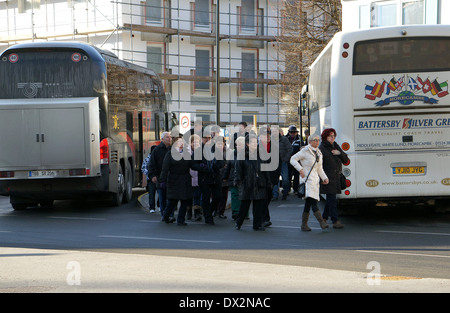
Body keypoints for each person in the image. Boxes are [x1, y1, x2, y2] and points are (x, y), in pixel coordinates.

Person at [290, 134, 329, 231]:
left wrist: (324, 178)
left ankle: (304, 225)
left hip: (315, 181)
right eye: (315, 140)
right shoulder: (305, 151)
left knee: (308, 203)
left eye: (318, 140)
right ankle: (322, 222)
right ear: (310, 141)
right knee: (313, 202)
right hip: (307, 180)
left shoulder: (319, 153)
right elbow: (292, 159)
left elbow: (319, 168)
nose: (317, 142)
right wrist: (300, 169)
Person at [234, 134, 272, 231]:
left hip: (259, 183)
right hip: (247, 184)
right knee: (244, 206)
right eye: (253, 142)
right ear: (247, 144)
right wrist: (238, 181)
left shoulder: (261, 154)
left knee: (258, 206)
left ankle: (257, 224)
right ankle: (239, 222)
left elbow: (265, 169)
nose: (255, 144)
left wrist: (268, 182)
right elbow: (238, 170)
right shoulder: (242, 156)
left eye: (256, 142)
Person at [191, 131, 224, 225]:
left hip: (215, 177)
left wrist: (217, 165)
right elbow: (193, 164)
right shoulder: (198, 150)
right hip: (204, 178)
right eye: (205, 138)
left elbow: (222, 161)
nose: (207, 140)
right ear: (202, 139)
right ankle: (208, 217)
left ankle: (209, 211)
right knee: (205, 198)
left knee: (218, 196)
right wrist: (202, 167)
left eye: (209, 138)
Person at [319, 128, 349, 229]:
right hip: (327, 178)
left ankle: (324, 217)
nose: (332, 138)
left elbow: (345, 159)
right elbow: (319, 166)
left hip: (336, 177)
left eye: (334, 136)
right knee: (332, 199)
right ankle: (335, 220)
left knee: (330, 199)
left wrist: (339, 153)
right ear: (325, 137)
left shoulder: (335, 145)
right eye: (330, 136)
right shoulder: (321, 148)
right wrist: (322, 178)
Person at [159, 137, 192, 225]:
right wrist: (162, 180)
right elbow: (165, 168)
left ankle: (181, 220)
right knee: (172, 201)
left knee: (185, 201)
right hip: (174, 179)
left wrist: (201, 166)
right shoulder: (170, 154)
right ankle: (165, 216)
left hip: (185, 179)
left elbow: (192, 164)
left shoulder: (187, 154)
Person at [148, 131, 172, 219]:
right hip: (160, 178)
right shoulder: (157, 150)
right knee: (162, 198)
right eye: (167, 137)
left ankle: (170, 214)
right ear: (162, 139)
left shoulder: (173, 149)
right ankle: (164, 214)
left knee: (170, 198)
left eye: (170, 137)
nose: (169, 139)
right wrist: (152, 175)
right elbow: (151, 164)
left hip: (171, 178)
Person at [187, 134, 202, 221]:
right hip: (189, 178)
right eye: (193, 142)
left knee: (197, 196)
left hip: (199, 178)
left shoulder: (201, 152)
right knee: (189, 196)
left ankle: (197, 213)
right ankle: (188, 212)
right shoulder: (187, 153)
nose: (195, 144)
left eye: (197, 142)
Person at [286, 125, 301, 199]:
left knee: (296, 176)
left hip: (296, 160)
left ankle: (295, 189)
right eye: (291, 132)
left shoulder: (299, 139)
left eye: (294, 132)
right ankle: (288, 189)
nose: (292, 133)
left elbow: (302, 149)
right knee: (288, 175)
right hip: (288, 160)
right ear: (289, 132)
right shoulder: (285, 139)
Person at [141, 145, 158, 213]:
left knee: (160, 193)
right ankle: (152, 208)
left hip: (158, 178)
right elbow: (143, 168)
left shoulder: (159, 158)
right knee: (151, 193)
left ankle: (159, 205)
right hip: (150, 179)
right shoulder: (147, 159)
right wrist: (149, 174)